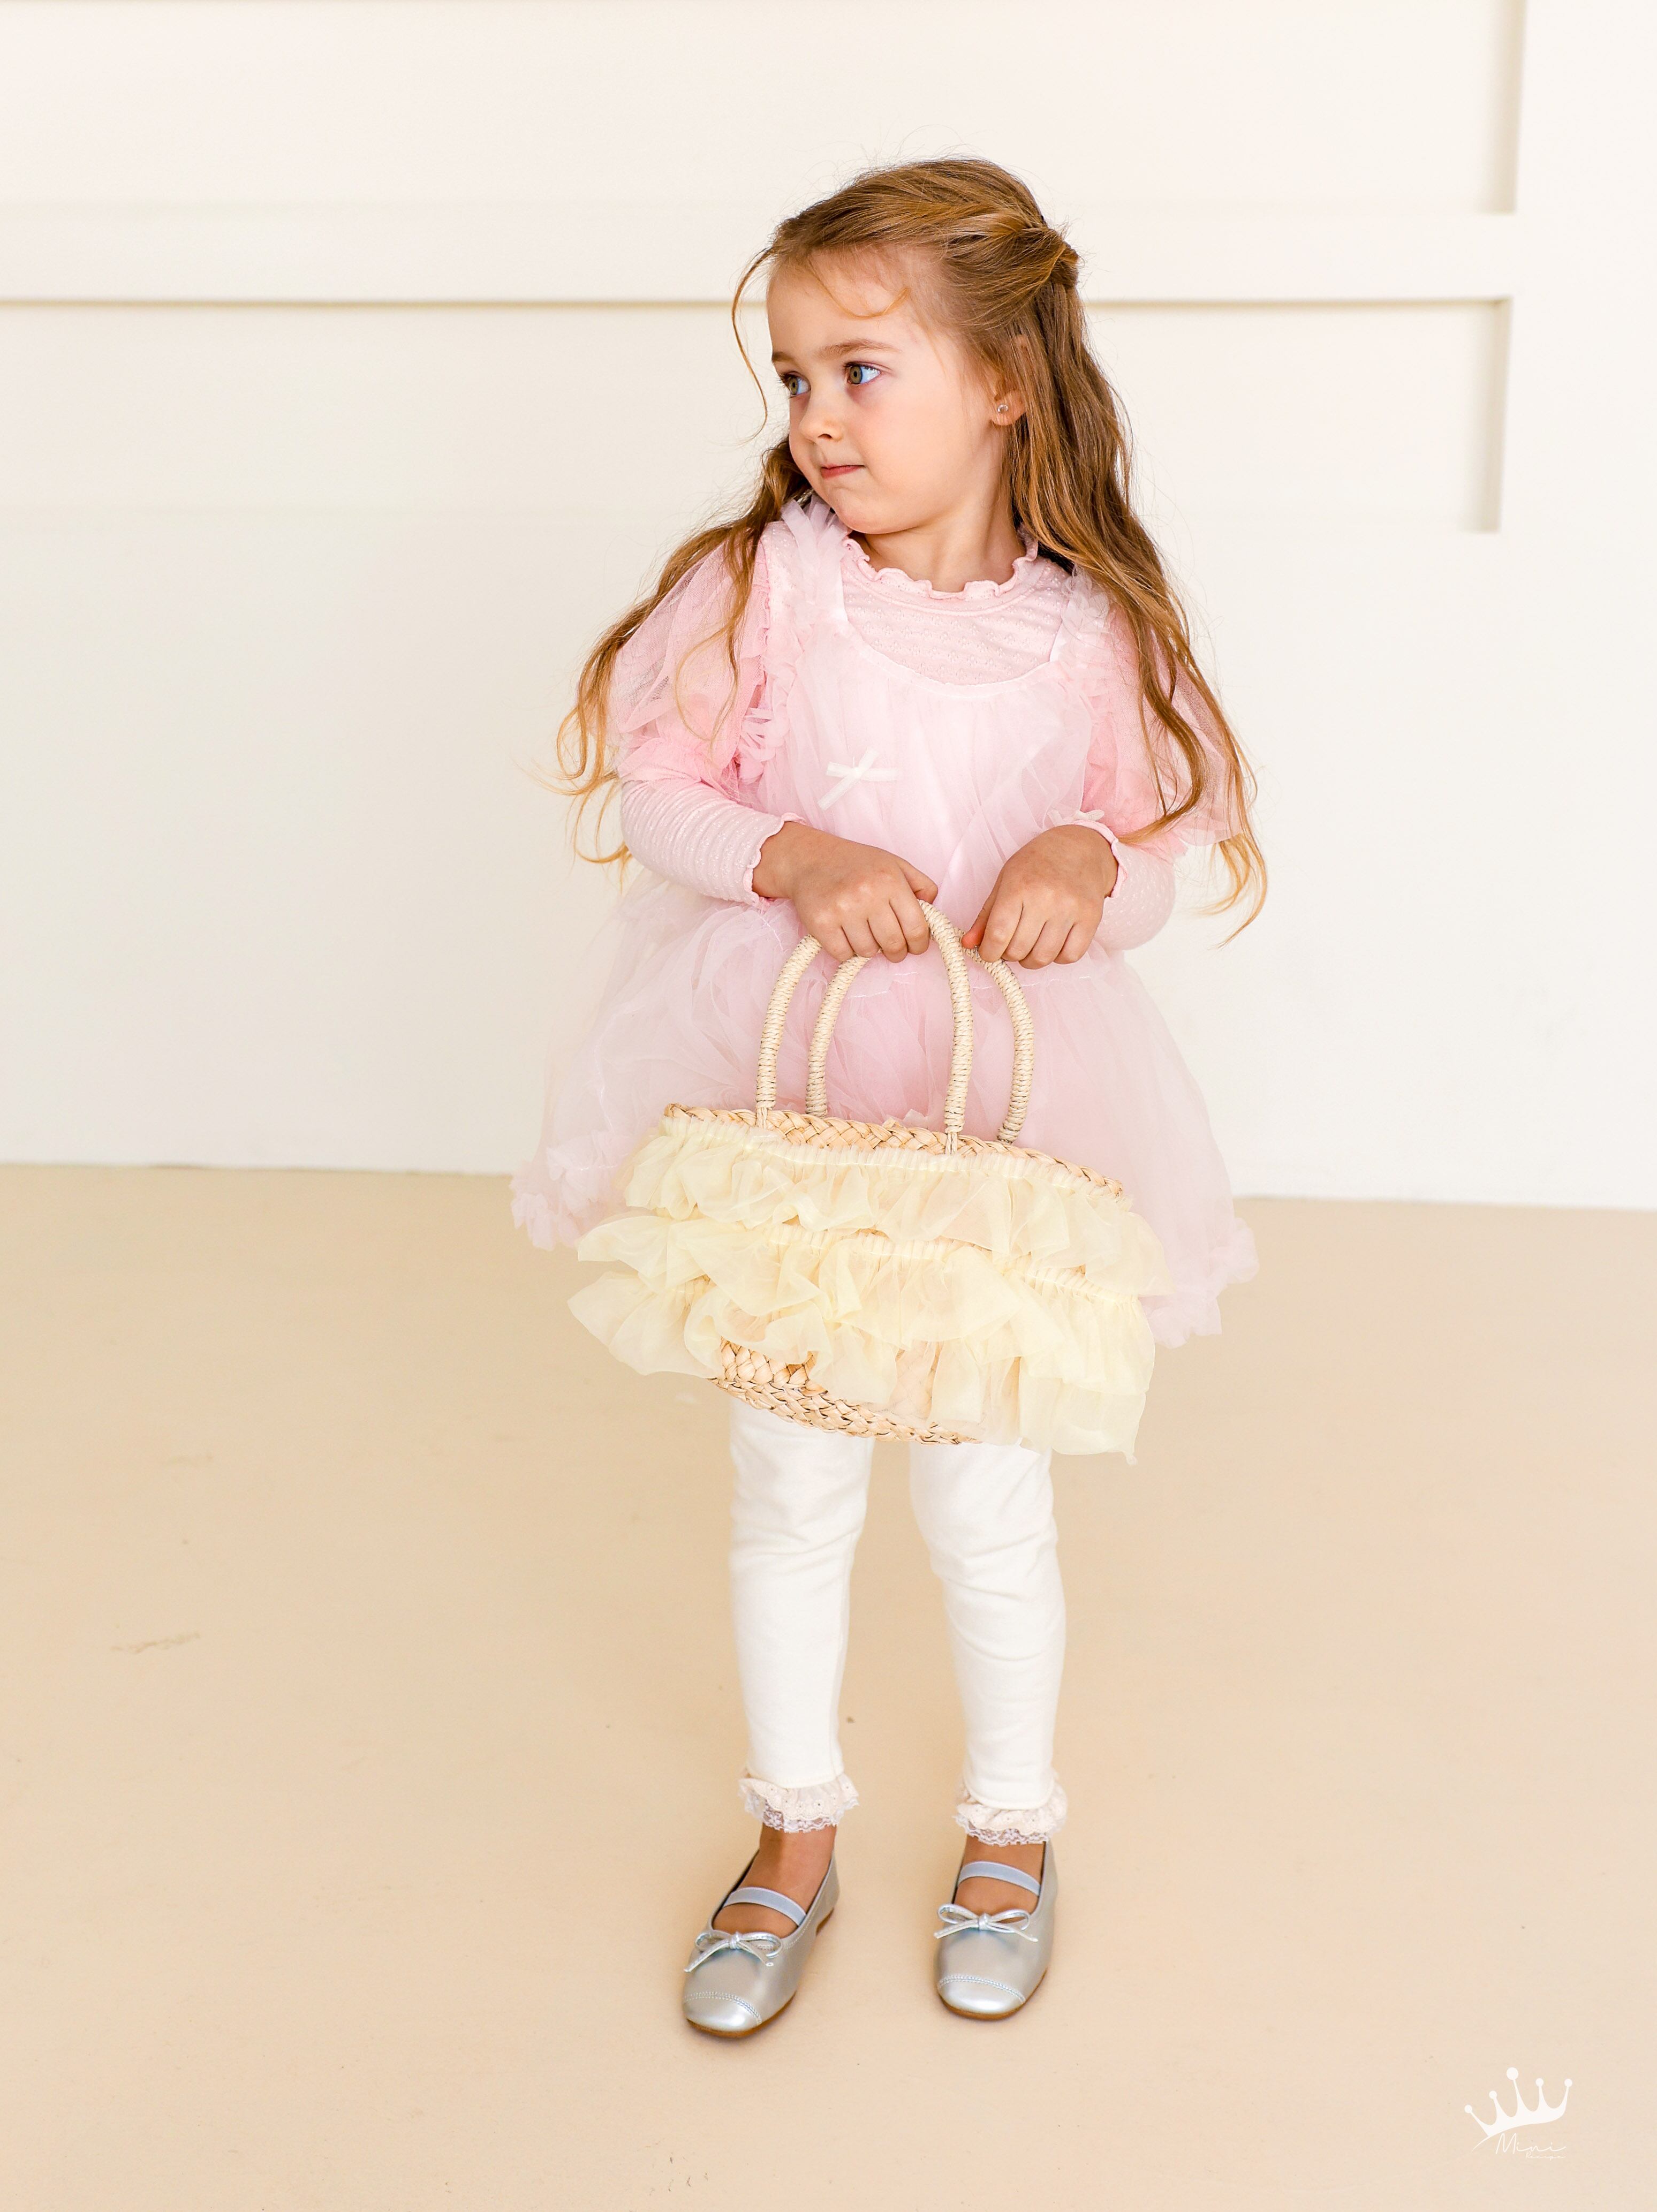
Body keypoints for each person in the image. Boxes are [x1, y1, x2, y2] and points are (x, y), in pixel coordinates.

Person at [511, 157, 1263, 2033]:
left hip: (996, 1143)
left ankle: (1011, 1826)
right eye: (792, 379)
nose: (816, 419)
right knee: (790, 1477)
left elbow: (1159, 850)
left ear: (1003, 379)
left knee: (987, 1491)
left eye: (861, 371)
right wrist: (789, 853)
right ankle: (794, 1824)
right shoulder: (764, 592)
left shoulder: (1091, 636)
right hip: (797, 1132)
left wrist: (1094, 856)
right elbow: (669, 791)